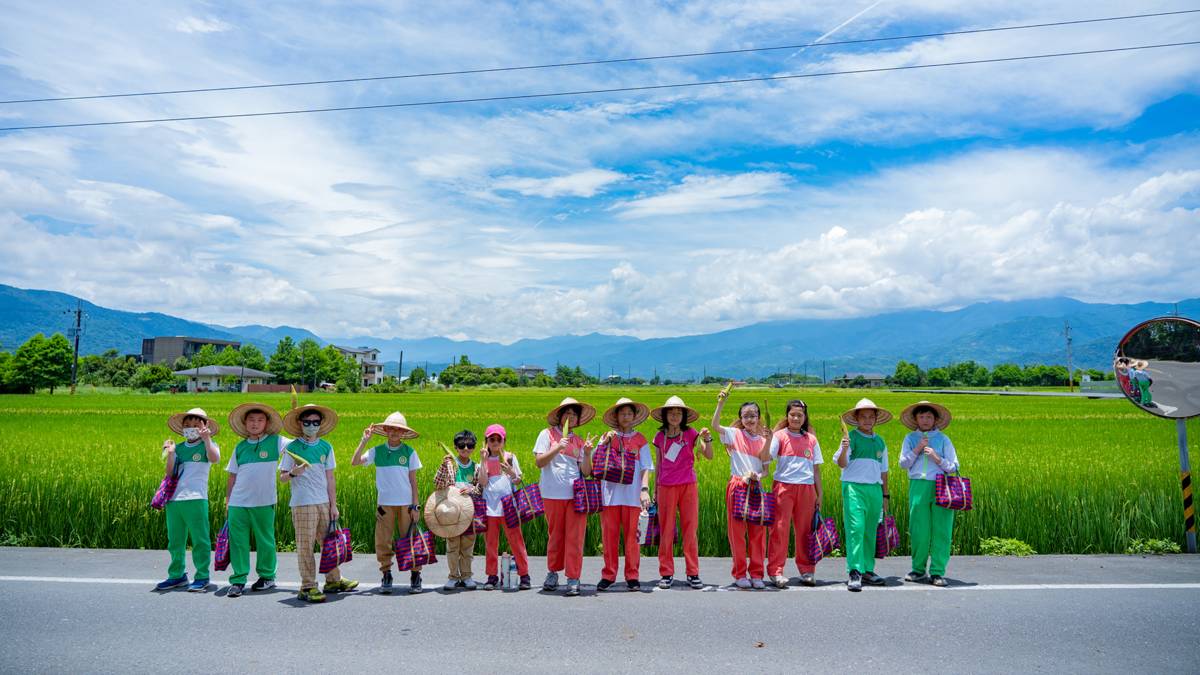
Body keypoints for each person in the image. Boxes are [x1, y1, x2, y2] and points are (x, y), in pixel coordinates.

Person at [279, 404, 358, 602]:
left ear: (320, 424)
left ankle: (333, 580)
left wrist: (334, 505)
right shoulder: (292, 448)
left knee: (329, 543)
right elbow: (282, 478)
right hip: (302, 503)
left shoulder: (326, 447)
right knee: (305, 546)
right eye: (307, 422)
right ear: (300, 423)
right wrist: (293, 473)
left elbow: (330, 478)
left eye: (315, 422)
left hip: (323, 502)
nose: (311, 426)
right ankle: (307, 586)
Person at [351, 411, 424, 594]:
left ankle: (415, 575)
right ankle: (386, 573)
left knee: (409, 539)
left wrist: (416, 506)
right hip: (385, 504)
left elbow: (413, 482)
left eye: (398, 430)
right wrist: (364, 440)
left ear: (403, 433)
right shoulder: (377, 451)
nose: (394, 432)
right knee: (383, 541)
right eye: (391, 428)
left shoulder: (409, 452)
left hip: (406, 504)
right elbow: (355, 462)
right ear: (385, 430)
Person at [224, 402, 289, 598]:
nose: (255, 424)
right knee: (238, 542)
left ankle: (267, 576)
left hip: (264, 501)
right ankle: (238, 580)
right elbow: (232, 476)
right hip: (238, 502)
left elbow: (298, 446)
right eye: (251, 420)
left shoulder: (277, 441)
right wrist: (227, 500)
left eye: (260, 420)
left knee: (265, 540)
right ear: (244, 423)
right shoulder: (240, 447)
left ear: (266, 423)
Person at [534, 397, 597, 597]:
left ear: (577, 419)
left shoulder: (579, 441)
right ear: (560, 416)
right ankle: (553, 572)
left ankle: (573, 577)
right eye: (567, 413)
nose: (570, 416)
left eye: (573, 414)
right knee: (555, 536)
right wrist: (557, 447)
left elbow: (586, 472)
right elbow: (539, 462)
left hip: (575, 495)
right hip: (551, 494)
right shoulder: (546, 435)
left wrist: (587, 453)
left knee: (575, 537)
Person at [649, 395, 711, 590]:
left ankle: (693, 572)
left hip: (688, 486)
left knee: (690, 529)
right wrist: (655, 490)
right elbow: (658, 463)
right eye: (671, 412)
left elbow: (708, 455)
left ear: (683, 416)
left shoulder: (692, 434)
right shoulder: (660, 437)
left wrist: (707, 439)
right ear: (665, 415)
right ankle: (666, 572)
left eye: (678, 413)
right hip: (666, 487)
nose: (675, 416)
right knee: (666, 530)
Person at [759, 399, 823, 588]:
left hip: (806, 488)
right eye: (792, 414)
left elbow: (816, 470)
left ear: (805, 418)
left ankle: (807, 570)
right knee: (779, 530)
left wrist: (820, 494)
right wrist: (768, 438)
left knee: (805, 531)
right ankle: (775, 571)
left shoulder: (811, 439)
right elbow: (765, 458)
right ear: (787, 416)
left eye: (799, 415)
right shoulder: (779, 436)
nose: (795, 418)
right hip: (783, 487)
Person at [156, 407, 221, 592]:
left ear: (205, 426)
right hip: (174, 500)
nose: (191, 428)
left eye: (196, 425)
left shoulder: (209, 444)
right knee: (175, 540)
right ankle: (176, 575)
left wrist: (207, 438)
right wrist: (170, 453)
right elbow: (170, 473)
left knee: (200, 539)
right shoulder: (179, 447)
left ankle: (202, 576)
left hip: (196, 498)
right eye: (187, 425)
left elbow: (214, 459)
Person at [712, 389, 770, 589]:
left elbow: (766, 471)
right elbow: (715, 425)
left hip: (756, 487)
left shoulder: (764, 441)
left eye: (753, 415)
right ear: (741, 419)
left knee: (757, 532)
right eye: (745, 416)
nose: (749, 419)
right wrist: (721, 403)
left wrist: (757, 476)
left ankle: (756, 574)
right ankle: (739, 573)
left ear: (759, 417)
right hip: (737, 485)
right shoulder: (734, 434)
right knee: (736, 533)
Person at [898, 400, 959, 587]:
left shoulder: (944, 439)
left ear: (935, 420)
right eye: (922, 416)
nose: (925, 420)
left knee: (942, 530)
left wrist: (936, 458)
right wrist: (917, 448)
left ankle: (938, 572)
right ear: (916, 419)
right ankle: (918, 570)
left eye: (929, 417)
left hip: (942, 486)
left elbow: (954, 466)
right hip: (918, 485)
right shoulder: (910, 438)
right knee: (919, 529)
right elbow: (903, 464)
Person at [834, 398, 892, 592]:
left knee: (870, 531)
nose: (867, 420)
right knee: (856, 529)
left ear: (876, 419)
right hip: (854, 488)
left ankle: (868, 569)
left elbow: (884, 471)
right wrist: (843, 448)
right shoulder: (851, 438)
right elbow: (841, 464)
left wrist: (885, 496)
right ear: (856, 419)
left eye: (871, 416)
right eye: (863, 417)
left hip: (875, 489)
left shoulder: (880, 441)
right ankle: (855, 571)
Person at [596, 398, 654, 591]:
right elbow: (596, 462)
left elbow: (646, 467)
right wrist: (604, 443)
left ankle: (632, 575)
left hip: (633, 496)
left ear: (634, 416)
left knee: (633, 538)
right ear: (616, 416)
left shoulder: (641, 440)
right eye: (622, 413)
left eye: (629, 413)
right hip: (610, 496)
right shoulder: (607, 436)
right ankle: (609, 574)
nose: (626, 417)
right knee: (609, 537)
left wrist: (644, 490)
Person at [476, 423, 531, 590]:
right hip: (490, 508)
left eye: (498, 439)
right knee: (491, 543)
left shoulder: (510, 457)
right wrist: (483, 460)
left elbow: (518, 480)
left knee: (516, 540)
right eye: (491, 439)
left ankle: (524, 574)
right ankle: (492, 576)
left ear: (503, 441)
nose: (495, 442)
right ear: (486, 442)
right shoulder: (483, 461)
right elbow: (483, 482)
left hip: (509, 506)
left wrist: (511, 472)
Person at [443, 429, 481, 590]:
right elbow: (438, 484)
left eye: (470, 445)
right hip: (452, 512)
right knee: (452, 546)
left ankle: (466, 576)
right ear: (456, 447)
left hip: (469, 513)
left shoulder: (477, 467)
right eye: (461, 445)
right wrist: (444, 467)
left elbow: (481, 489)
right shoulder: (450, 465)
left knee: (467, 546)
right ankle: (453, 576)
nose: (466, 449)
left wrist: (472, 490)